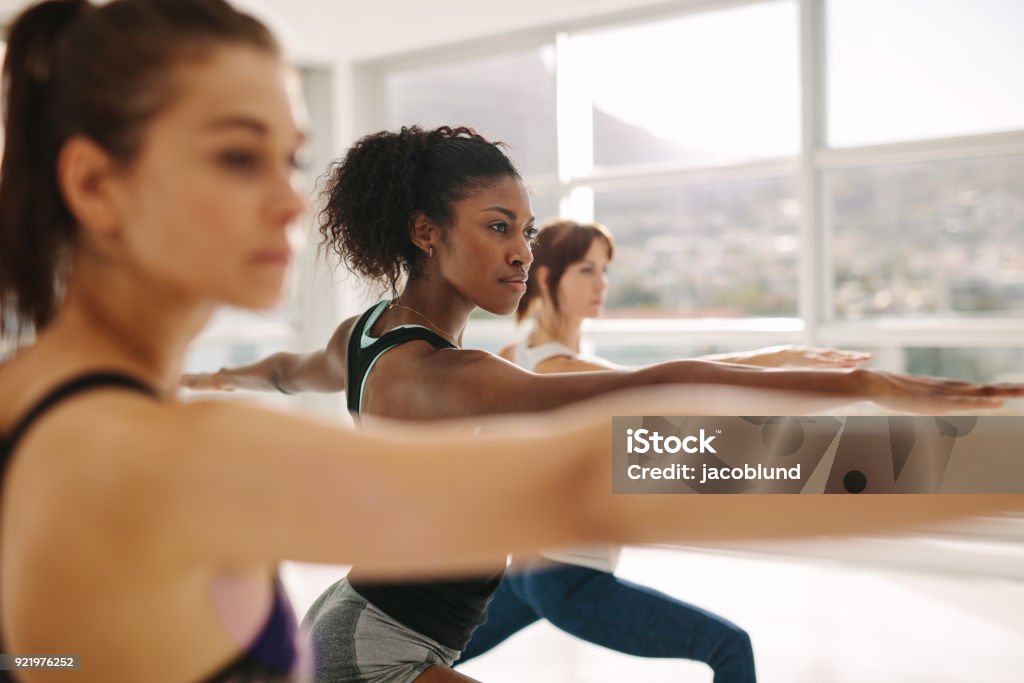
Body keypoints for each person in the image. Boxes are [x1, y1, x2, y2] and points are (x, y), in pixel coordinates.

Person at [0, 3, 942, 682]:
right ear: (95, 184)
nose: (289, 199)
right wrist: (962, 461)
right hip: (376, 647)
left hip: (389, 627)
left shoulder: (47, 402)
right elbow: (589, 464)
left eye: (288, 158)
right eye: (238, 156)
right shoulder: (168, 443)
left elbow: (295, 371)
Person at [183, 124, 1023, 683]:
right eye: (498, 227)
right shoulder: (451, 379)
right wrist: (860, 385)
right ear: (425, 232)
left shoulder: (366, 334)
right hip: (378, 645)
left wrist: (204, 381)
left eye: (527, 229)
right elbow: (652, 388)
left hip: (369, 617)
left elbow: (294, 368)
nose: (523, 253)